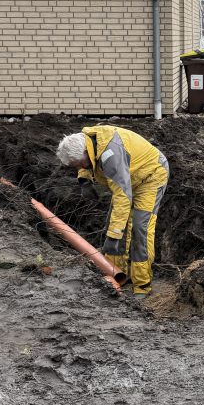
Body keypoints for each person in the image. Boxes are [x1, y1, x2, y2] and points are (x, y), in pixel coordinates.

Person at [56, 126, 169, 296]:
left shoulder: (111, 156)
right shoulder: (86, 141)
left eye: (79, 165)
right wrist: (84, 179)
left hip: (150, 176)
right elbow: (87, 161)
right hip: (128, 177)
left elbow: (122, 197)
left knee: (140, 228)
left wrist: (113, 236)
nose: (79, 167)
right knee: (114, 223)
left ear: (86, 152)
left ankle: (142, 285)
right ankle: (118, 274)